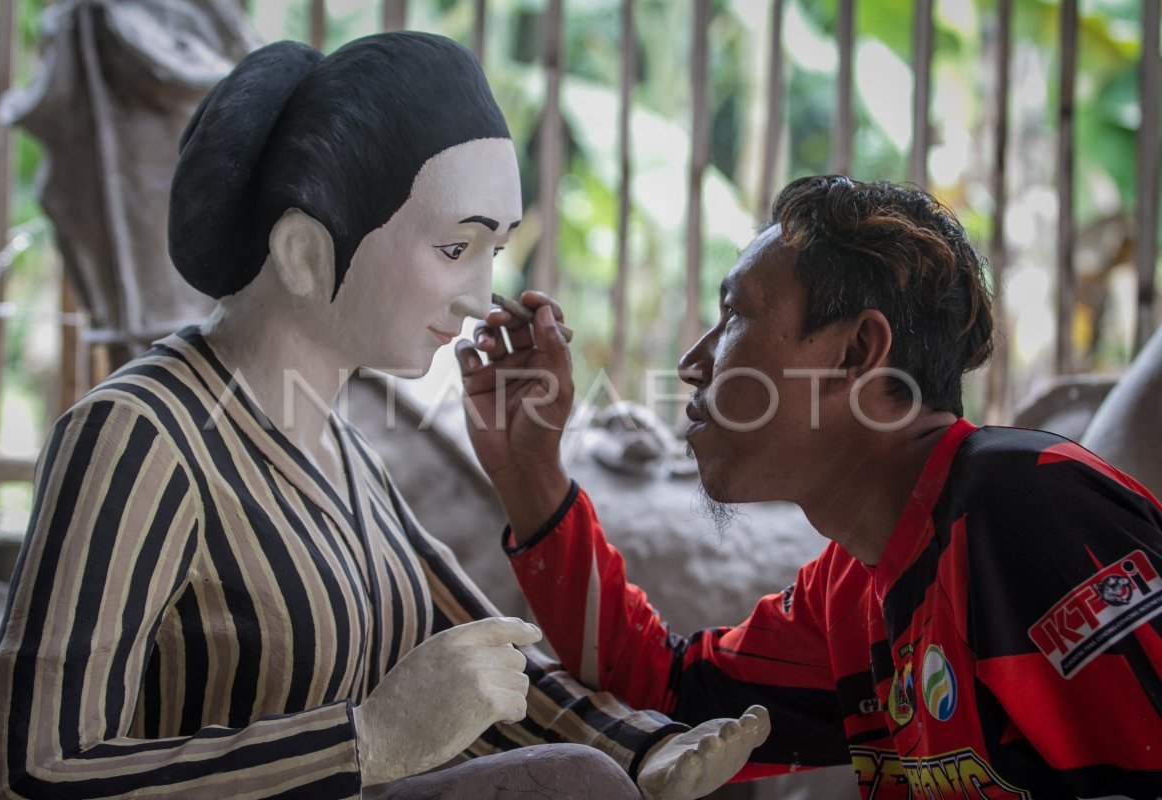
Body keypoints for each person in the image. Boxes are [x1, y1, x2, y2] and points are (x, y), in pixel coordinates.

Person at [0, 33, 769, 800]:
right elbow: (27, 776)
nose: (479, 297)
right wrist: (365, 744)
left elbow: (477, 659)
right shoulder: (138, 438)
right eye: (457, 249)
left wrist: (641, 744)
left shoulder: (345, 454)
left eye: (495, 252)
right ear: (305, 253)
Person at [456, 175, 1162, 798]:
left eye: (734, 315)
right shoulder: (850, 594)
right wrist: (530, 472)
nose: (692, 363)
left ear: (856, 352)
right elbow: (662, 693)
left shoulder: (1026, 507)